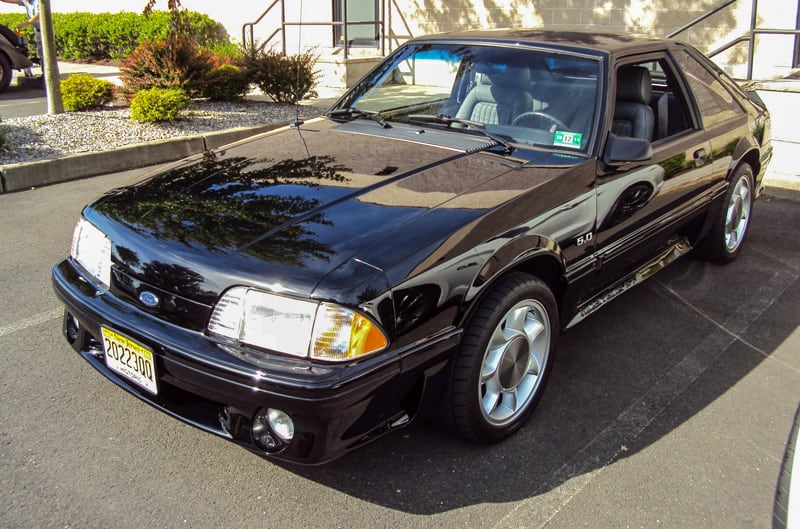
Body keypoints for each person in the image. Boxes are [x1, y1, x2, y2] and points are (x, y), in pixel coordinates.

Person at [0, 0, 42, 71]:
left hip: (44, 30)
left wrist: (25, 23)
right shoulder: (25, 1)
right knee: (41, 52)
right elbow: (12, 1)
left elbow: (39, 15)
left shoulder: (37, 2)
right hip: (37, 30)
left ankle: (48, 75)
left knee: (45, 53)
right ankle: (45, 74)